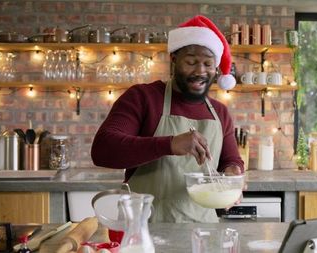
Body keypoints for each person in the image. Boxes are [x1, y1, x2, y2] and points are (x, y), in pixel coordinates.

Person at [91, 15, 244, 223]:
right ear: (173, 60)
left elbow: (230, 160)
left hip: (202, 231)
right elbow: (103, 150)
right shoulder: (143, 97)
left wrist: (233, 173)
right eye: (191, 62)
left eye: (208, 64)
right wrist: (170, 144)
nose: (200, 71)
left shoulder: (220, 112)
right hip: (144, 230)